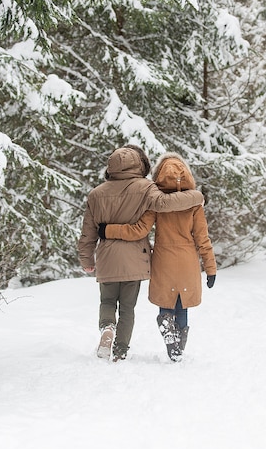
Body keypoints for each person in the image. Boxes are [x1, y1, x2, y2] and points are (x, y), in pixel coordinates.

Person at [76, 145, 204, 362]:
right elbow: (165, 203)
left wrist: (86, 259)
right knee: (127, 308)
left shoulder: (96, 194)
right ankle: (120, 351)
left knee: (107, 302)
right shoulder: (145, 187)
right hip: (134, 258)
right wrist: (196, 196)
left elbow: (87, 232)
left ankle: (107, 327)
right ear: (139, 164)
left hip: (107, 258)